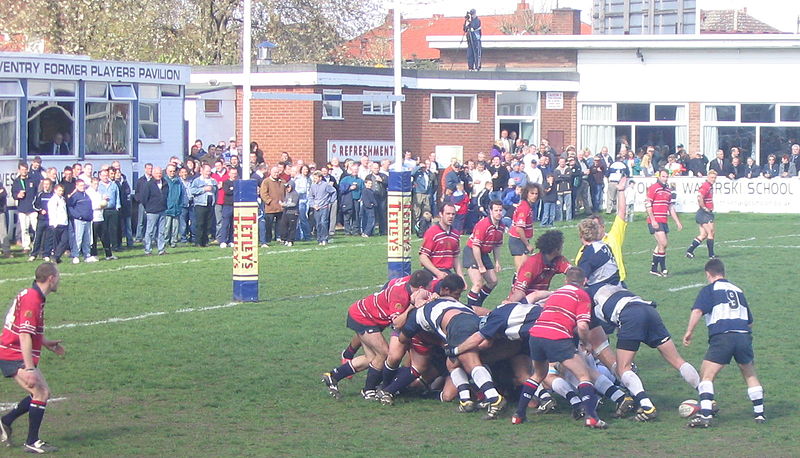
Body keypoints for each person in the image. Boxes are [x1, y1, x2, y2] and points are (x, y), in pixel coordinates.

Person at [514, 268, 608, 428]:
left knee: (538, 374)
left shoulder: (555, 293)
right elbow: (583, 326)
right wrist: (586, 343)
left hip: (536, 335)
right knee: (584, 375)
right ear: (584, 282)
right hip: (557, 337)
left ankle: (519, 414)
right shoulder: (582, 295)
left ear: (565, 281)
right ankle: (592, 417)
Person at [322, 270, 435, 401]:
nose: (430, 289)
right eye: (429, 287)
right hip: (363, 317)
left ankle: (333, 376)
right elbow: (397, 324)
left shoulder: (411, 281)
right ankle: (368, 390)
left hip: (365, 314)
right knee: (384, 354)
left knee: (371, 357)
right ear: (421, 288)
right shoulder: (400, 296)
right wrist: (411, 306)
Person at [406, 275, 508, 419]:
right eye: (458, 294)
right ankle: (466, 401)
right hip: (471, 321)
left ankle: (494, 398)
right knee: (452, 363)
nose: (459, 297)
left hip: (458, 325)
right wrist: (495, 314)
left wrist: (416, 301)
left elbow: (403, 332)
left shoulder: (427, 306)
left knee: (469, 360)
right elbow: (477, 310)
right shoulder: (448, 300)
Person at [682, 259, 765, 427]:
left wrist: (689, 331)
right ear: (723, 272)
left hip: (723, 336)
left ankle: (706, 416)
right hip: (743, 335)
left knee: (707, 375)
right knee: (749, 374)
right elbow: (750, 321)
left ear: (708, 274)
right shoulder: (738, 290)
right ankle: (760, 415)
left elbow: (698, 310)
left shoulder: (710, 289)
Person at [0, 262, 64, 453]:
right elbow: (24, 334)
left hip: (12, 350)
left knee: (43, 393)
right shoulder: (33, 299)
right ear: (51, 278)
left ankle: (6, 421)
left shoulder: (33, 295)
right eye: (58, 277)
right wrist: (29, 369)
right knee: (41, 393)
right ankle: (32, 441)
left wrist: (45, 342)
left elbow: (28, 327)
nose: (59, 281)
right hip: (12, 353)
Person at [506, 230, 571, 304]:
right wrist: (509, 303)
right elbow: (519, 291)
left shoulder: (559, 259)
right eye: (561, 245)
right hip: (524, 303)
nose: (563, 247)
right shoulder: (532, 263)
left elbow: (573, 273)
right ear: (556, 249)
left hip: (540, 301)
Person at [464, 201, 505, 308]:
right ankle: (470, 309)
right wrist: (481, 266)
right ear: (490, 211)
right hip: (472, 251)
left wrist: (497, 262)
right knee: (478, 283)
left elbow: (496, 245)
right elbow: (475, 246)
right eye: (496, 210)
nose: (498, 213)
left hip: (484, 253)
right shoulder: (483, 224)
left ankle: (477, 304)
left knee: (493, 281)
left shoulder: (501, 226)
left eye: (500, 210)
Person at [645, 170, 682, 277]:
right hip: (655, 220)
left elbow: (670, 207)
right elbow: (648, 205)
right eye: (663, 176)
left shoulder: (668, 191)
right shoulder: (653, 188)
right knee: (664, 243)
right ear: (659, 176)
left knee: (661, 245)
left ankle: (653, 269)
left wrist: (677, 222)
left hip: (663, 220)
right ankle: (664, 268)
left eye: (666, 176)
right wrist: (653, 220)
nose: (665, 178)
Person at [419, 203, 463, 280]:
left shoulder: (455, 234)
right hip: (431, 273)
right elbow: (423, 256)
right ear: (441, 214)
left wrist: (460, 277)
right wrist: (437, 273)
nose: (450, 217)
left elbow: (455, 257)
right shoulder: (432, 232)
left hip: (447, 273)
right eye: (448, 214)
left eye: (453, 214)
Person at [508, 184, 541, 272]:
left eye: (536, 194)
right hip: (518, 240)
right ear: (526, 194)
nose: (534, 196)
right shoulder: (524, 208)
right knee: (522, 271)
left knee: (524, 270)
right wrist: (527, 245)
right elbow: (519, 228)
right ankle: (516, 285)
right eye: (532, 193)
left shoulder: (527, 205)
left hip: (521, 239)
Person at [686, 170, 717, 260]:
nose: (713, 179)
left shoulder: (710, 186)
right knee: (711, 233)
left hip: (705, 213)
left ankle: (689, 251)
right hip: (704, 214)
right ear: (707, 177)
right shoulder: (706, 186)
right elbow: (700, 197)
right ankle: (711, 255)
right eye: (711, 177)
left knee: (703, 235)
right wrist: (704, 208)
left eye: (714, 178)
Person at [139, 167, 169, 255]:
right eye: (156, 173)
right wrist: (148, 208)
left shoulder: (165, 183)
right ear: (153, 174)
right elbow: (144, 198)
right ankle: (148, 250)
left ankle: (161, 249)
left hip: (162, 210)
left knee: (161, 231)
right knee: (150, 231)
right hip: (152, 211)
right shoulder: (148, 184)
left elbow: (166, 195)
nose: (158, 175)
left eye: (160, 173)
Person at [12, 162, 38, 252]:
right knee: (25, 228)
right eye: (22, 169)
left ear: (28, 170)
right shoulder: (16, 181)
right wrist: (17, 195)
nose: (24, 171)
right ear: (19, 170)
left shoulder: (32, 180)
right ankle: (26, 246)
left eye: (25, 169)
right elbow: (13, 194)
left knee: (36, 227)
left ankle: (38, 244)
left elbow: (37, 192)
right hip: (22, 208)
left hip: (32, 208)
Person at [190, 164, 217, 247]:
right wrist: (203, 189)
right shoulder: (197, 181)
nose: (208, 173)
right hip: (200, 204)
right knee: (200, 223)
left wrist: (213, 189)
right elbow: (192, 190)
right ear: (202, 171)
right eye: (207, 171)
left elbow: (216, 191)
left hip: (210, 203)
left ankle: (205, 241)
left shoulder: (213, 181)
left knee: (208, 223)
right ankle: (198, 241)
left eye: (209, 171)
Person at [67, 179, 93, 264]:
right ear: (77, 186)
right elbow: (70, 208)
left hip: (88, 220)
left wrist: (90, 216)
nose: (82, 187)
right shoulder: (75, 196)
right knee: (78, 238)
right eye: (80, 185)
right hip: (79, 220)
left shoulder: (87, 195)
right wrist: (78, 216)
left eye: (83, 185)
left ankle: (87, 255)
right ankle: (75, 255)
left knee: (87, 239)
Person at [308, 171, 336, 246]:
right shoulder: (313, 186)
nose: (314, 179)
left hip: (324, 207)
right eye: (314, 178)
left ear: (320, 178)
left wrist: (330, 201)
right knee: (318, 224)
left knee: (324, 222)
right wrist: (313, 205)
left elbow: (333, 191)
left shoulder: (325, 185)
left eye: (316, 178)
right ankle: (319, 239)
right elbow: (310, 197)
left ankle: (324, 238)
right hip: (316, 208)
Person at [259, 166, 286, 246]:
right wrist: (269, 201)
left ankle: (278, 237)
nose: (276, 174)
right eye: (274, 172)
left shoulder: (282, 181)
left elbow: (285, 193)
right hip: (270, 208)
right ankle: (268, 239)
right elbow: (263, 193)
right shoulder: (266, 181)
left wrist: (284, 202)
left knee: (280, 224)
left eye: (277, 172)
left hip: (280, 207)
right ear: (271, 172)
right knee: (268, 224)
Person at [29, 179, 54, 262]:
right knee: (38, 237)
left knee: (49, 238)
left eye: (48, 184)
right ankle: (33, 254)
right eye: (45, 184)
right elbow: (34, 205)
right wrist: (40, 210)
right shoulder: (40, 194)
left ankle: (46, 254)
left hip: (50, 220)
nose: (46, 186)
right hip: (41, 219)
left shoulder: (53, 195)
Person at [163, 164, 186, 249]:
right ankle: (165, 241)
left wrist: (180, 205)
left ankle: (173, 242)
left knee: (175, 227)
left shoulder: (178, 181)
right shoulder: (164, 181)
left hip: (177, 208)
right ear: (167, 171)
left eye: (173, 171)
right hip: (167, 208)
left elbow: (181, 194)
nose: (172, 173)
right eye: (170, 171)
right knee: (166, 227)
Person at [218, 168, 238, 248]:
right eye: (232, 173)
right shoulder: (226, 182)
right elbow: (227, 191)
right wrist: (233, 190)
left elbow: (238, 191)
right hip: (227, 205)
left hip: (236, 205)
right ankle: (223, 241)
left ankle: (231, 240)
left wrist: (233, 189)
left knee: (233, 224)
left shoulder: (237, 182)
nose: (234, 175)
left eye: (235, 173)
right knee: (225, 224)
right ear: (229, 174)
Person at [278, 180, 300, 247]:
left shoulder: (295, 194)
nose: (287, 188)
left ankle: (291, 240)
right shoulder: (287, 193)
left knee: (292, 227)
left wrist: (284, 205)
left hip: (293, 212)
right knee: (284, 226)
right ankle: (285, 239)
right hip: (286, 212)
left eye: (288, 187)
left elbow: (294, 203)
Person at [0, 184, 12, 258]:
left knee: (3, 233)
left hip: (0, 212)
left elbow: (3, 195)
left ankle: (6, 251)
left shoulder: (1, 186)